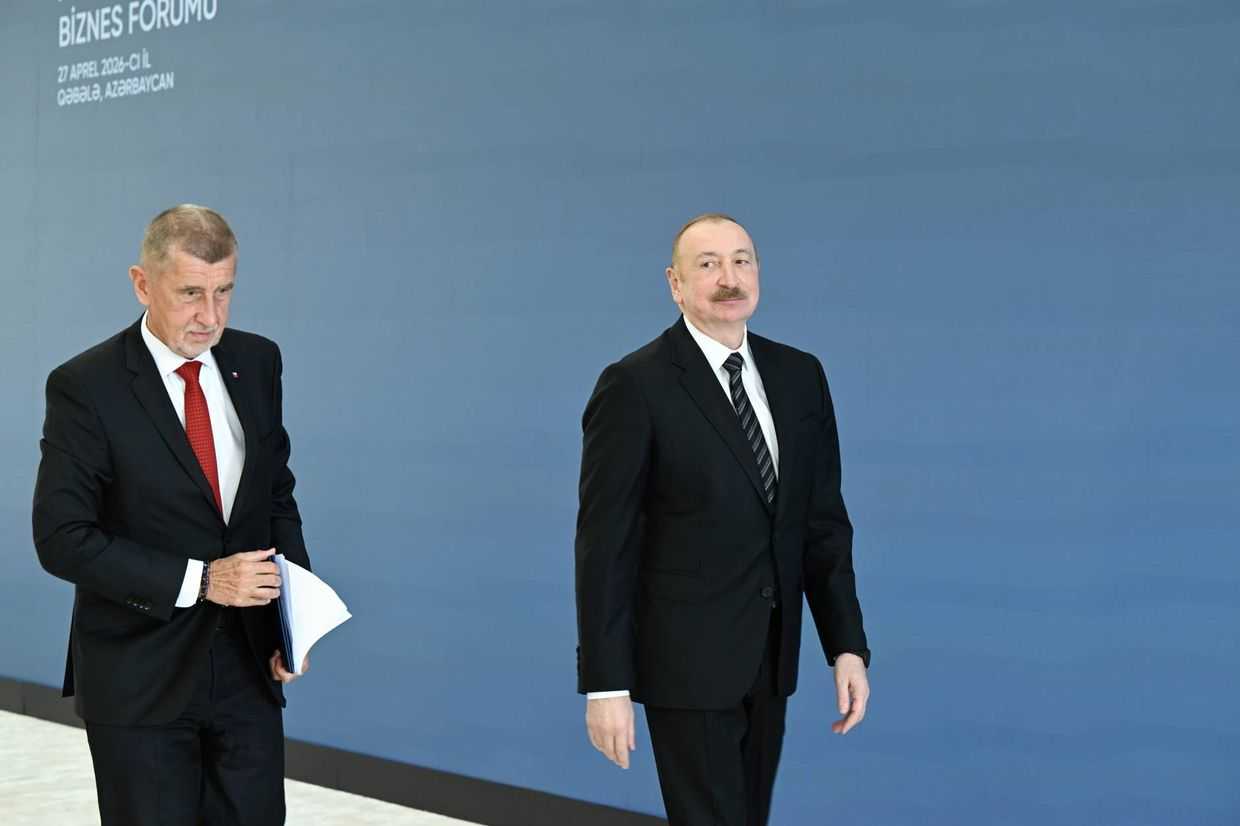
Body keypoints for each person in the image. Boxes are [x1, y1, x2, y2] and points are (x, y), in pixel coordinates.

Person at [574, 214, 871, 825]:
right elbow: (605, 546)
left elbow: (821, 523)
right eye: (707, 264)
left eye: (742, 261)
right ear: (675, 284)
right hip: (683, 661)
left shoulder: (799, 376)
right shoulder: (635, 385)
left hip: (770, 656)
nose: (728, 278)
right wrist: (606, 686)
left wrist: (845, 645)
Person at [33, 204, 312, 826]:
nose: (209, 316)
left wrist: (293, 619)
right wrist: (204, 580)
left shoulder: (258, 362)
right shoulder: (86, 385)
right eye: (190, 293)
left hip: (247, 669)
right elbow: (62, 539)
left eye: (223, 292)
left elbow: (275, 496)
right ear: (142, 283)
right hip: (139, 676)